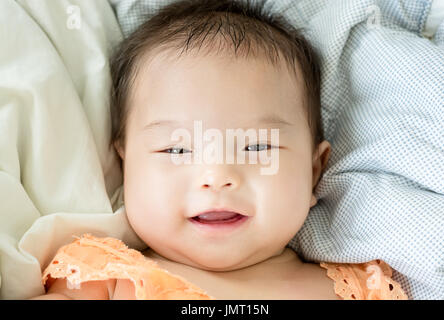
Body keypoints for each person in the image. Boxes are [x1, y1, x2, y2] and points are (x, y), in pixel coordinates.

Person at [30, 0, 407, 300]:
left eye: (257, 147)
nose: (217, 177)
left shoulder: (364, 288)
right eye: (176, 150)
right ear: (125, 163)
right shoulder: (104, 277)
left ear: (313, 171)